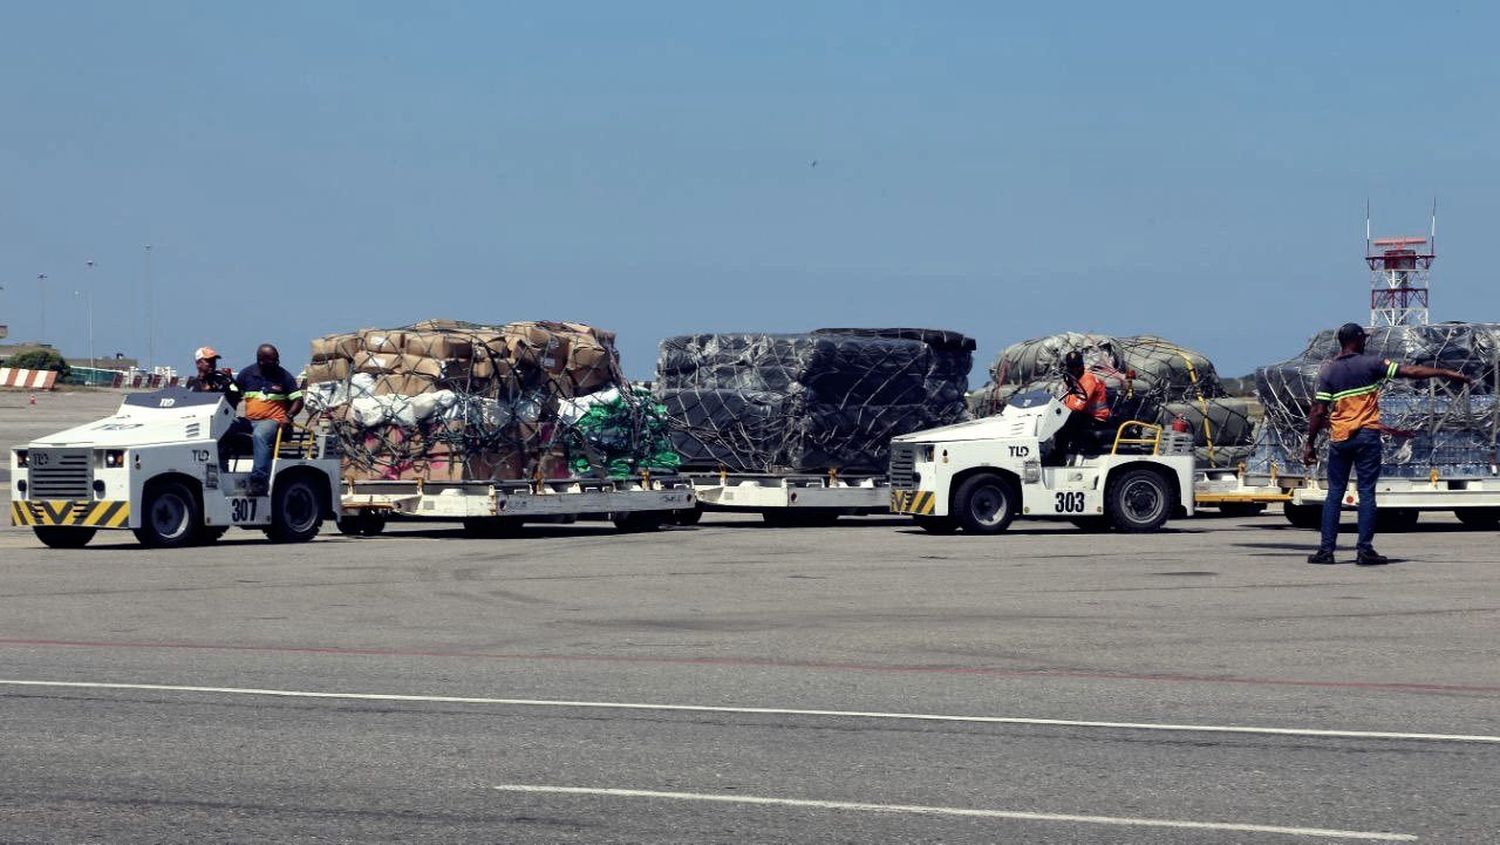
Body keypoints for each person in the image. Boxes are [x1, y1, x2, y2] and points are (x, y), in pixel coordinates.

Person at [1304, 323, 1469, 566]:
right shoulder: (1372, 364)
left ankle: (1326, 551)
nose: (1366, 342)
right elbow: (1410, 371)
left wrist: (1309, 443)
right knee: (1366, 493)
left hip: (1339, 439)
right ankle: (1364, 550)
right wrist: (1443, 373)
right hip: (1366, 436)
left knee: (1334, 495)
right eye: (1364, 339)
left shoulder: (1328, 372)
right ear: (1358, 340)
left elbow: (1318, 411)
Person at [231, 344, 304, 496]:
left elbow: (298, 400)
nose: (277, 363)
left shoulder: (283, 376)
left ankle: (259, 481)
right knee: (225, 427)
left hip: (273, 420)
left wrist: (288, 416)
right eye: (274, 360)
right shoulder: (247, 374)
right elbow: (233, 395)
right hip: (249, 420)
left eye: (277, 360)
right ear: (261, 361)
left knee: (260, 435)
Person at [1050, 350, 1111, 463]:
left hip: (1097, 418)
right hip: (1086, 415)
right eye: (1071, 367)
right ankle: (1057, 450)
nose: (1074, 369)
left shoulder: (1088, 379)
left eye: (1076, 366)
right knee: (1062, 418)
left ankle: (1058, 456)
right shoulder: (1073, 379)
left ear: (1081, 365)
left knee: (1068, 419)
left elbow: (1079, 405)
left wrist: (1062, 409)